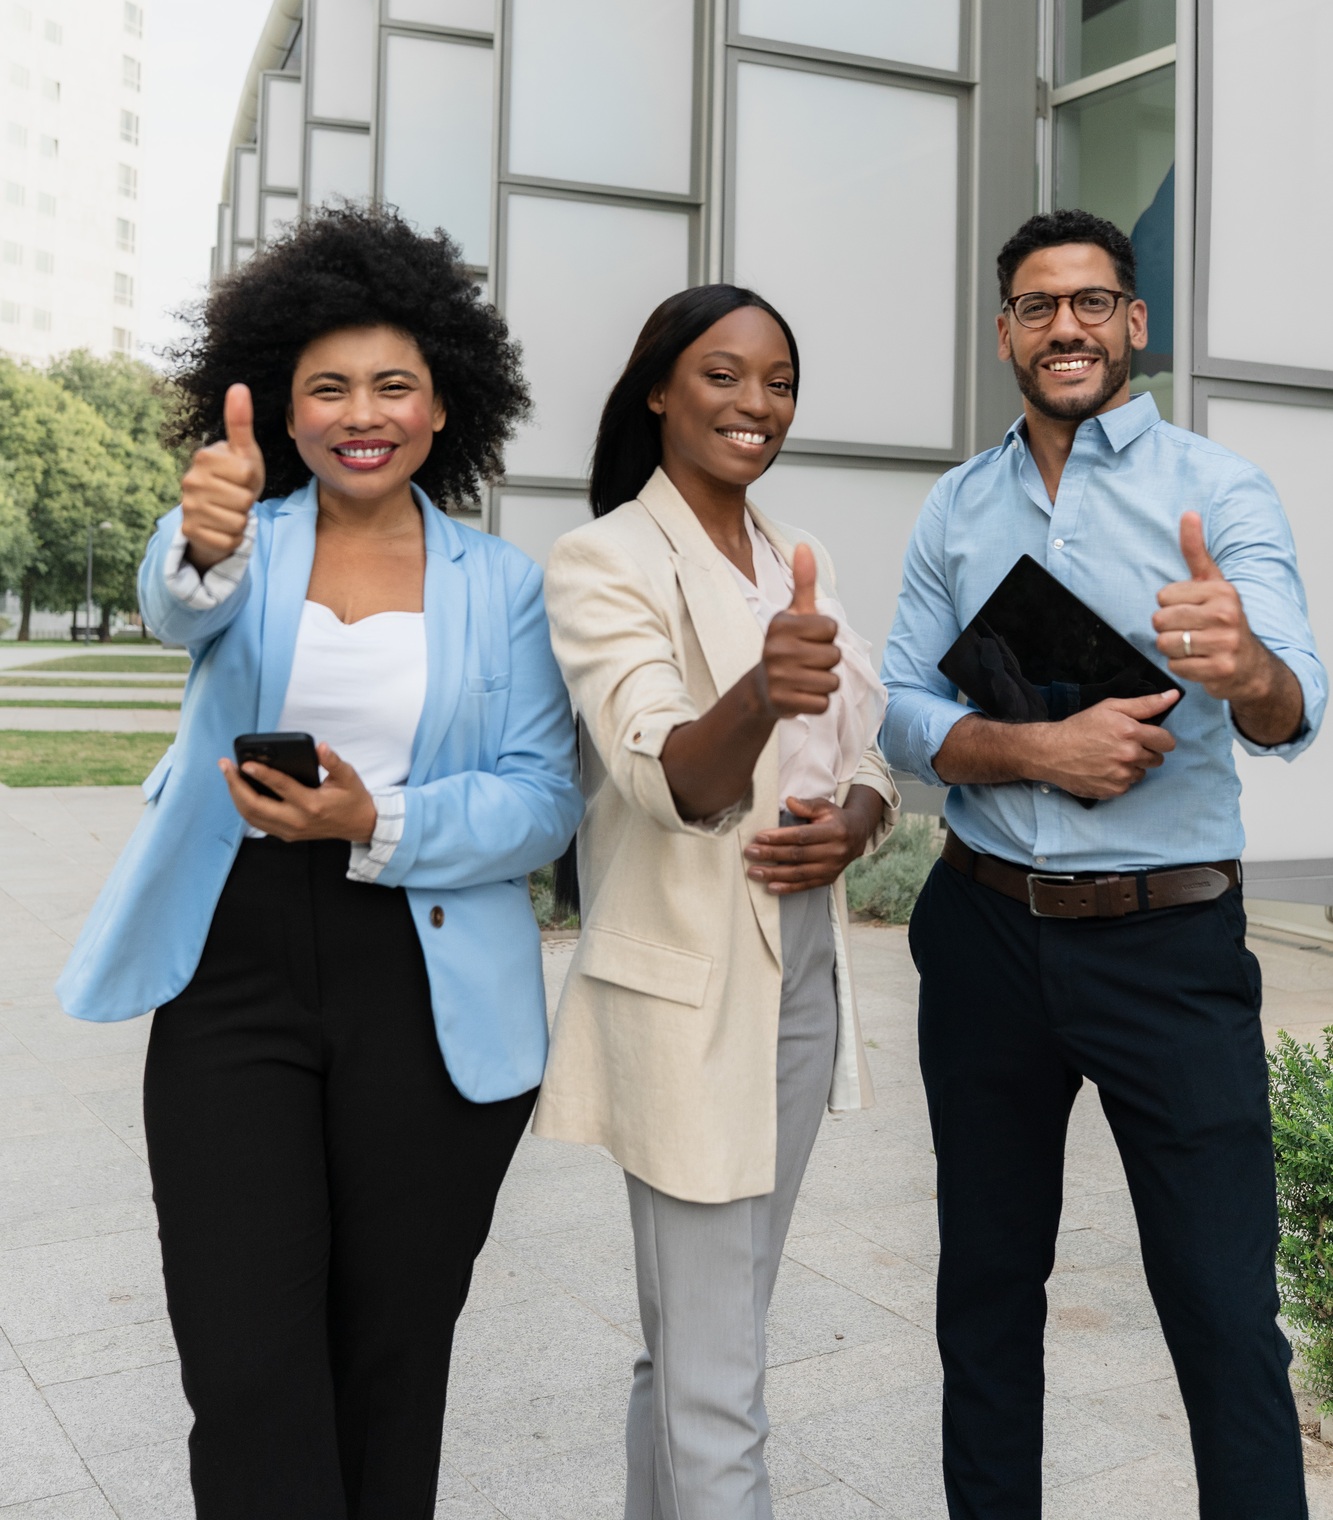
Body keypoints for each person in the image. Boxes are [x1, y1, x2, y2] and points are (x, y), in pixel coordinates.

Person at [57, 206, 582, 1520]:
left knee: (389, 1357)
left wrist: (375, 824)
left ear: (444, 403)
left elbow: (539, 804)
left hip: (422, 966)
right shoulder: (242, 543)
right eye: (329, 387)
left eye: (393, 384)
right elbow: (176, 600)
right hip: (231, 959)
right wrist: (202, 534)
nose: (363, 411)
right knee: (244, 1359)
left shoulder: (501, 586)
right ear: (283, 415)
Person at [882, 208, 1326, 1520]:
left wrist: (1244, 666)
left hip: (1167, 949)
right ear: (1006, 332)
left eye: (1090, 303)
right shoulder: (955, 508)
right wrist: (1035, 748)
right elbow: (899, 709)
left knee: (1222, 1313)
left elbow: (1293, 705)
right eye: (1036, 305)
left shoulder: (1220, 492)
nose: (1064, 326)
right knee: (985, 1300)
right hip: (983, 936)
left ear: (1133, 323)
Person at [533, 285, 899, 1519]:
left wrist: (856, 819)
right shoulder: (602, 559)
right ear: (656, 388)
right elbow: (661, 772)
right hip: (685, 984)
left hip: (799, 965)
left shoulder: (802, 556)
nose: (757, 403)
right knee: (719, 1374)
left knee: (706, 1335)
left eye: (779, 381)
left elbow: (863, 751)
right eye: (723, 374)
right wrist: (759, 686)